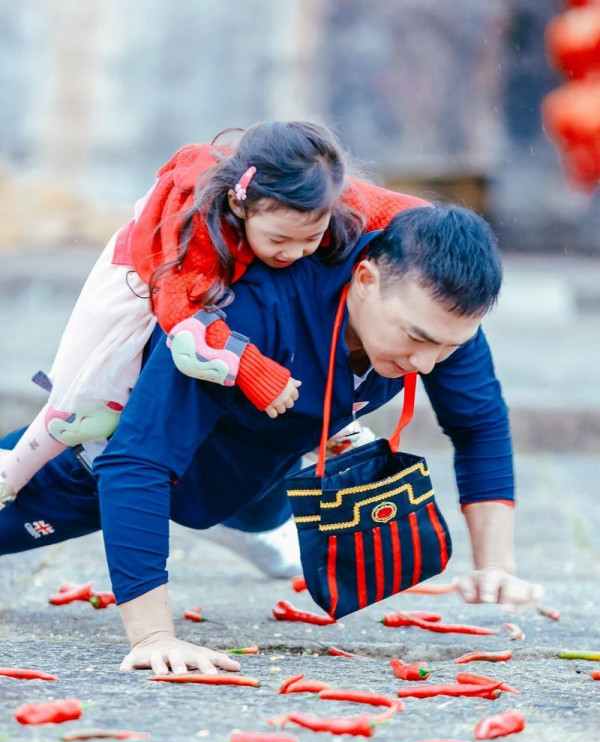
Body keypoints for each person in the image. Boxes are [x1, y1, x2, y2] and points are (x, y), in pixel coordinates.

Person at [0, 203, 543, 675]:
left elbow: (479, 426)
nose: (425, 364)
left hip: (265, 461)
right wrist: (152, 637)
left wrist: (496, 565)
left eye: (447, 347)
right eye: (416, 339)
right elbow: (135, 461)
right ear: (366, 279)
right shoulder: (247, 312)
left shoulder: (440, 317)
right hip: (113, 450)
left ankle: (240, 514)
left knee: (248, 506)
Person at [0, 121, 425, 511]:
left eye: (310, 238)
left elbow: (416, 217)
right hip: (151, 282)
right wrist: (255, 371)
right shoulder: (200, 227)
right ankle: (12, 472)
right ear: (241, 207)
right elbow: (183, 323)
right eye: (279, 239)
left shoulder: (321, 195)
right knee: (91, 395)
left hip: (228, 287)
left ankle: (326, 425)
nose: (294, 253)